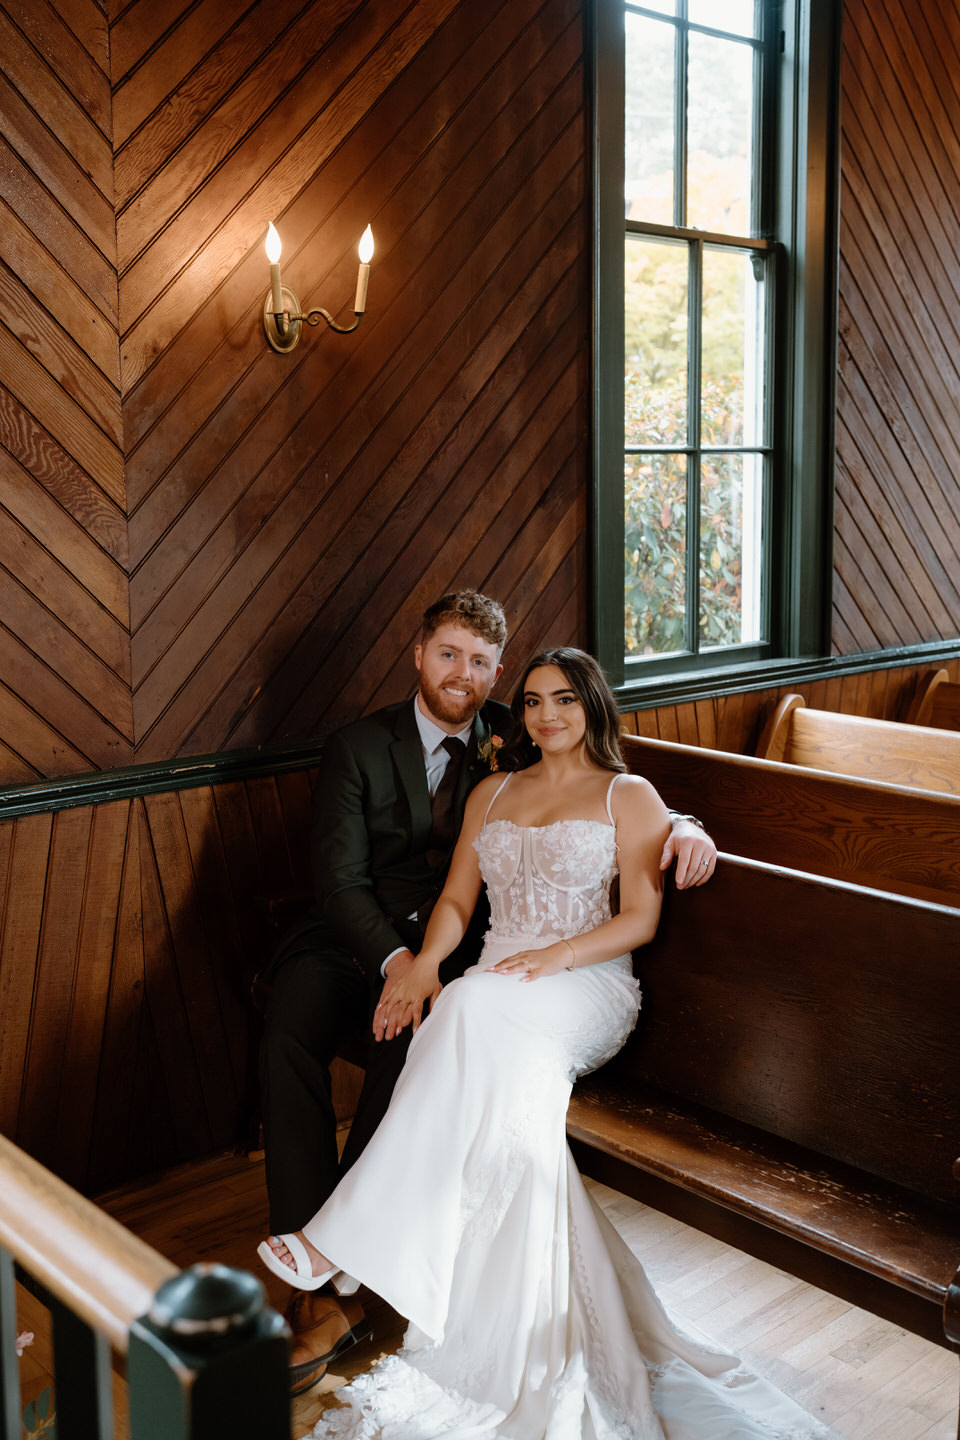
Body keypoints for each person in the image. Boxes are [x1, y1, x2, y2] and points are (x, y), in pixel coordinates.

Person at [258, 648, 836, 1440]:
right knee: (458, 1019)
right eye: (531, 702)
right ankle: (383, 1270)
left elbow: (641, 918)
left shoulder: (628, 795)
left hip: (586, 985)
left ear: (592, 706)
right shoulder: (492, 792)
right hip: (495, 987)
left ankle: (336, 1252)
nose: (546, 716)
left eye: (563, 700)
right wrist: (426, 965)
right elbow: (458, 898)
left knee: (463, 1013)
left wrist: (559, 954)